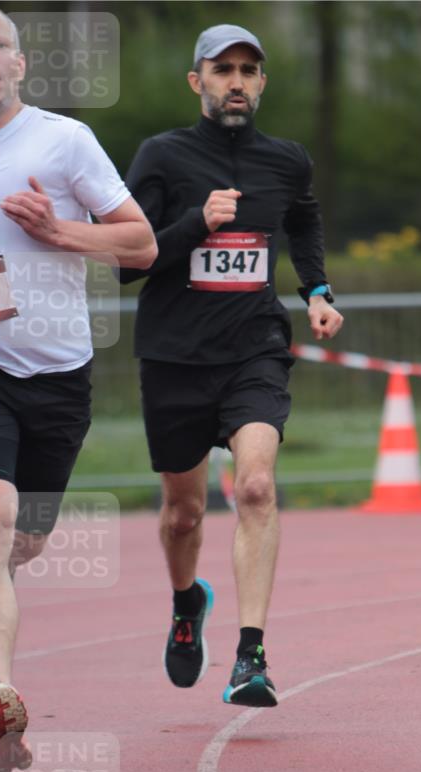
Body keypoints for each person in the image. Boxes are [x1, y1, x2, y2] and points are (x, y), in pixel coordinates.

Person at [120, 24, 343, 708]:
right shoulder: (161, 156)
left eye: (249, 70)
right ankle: (188, 603)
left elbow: (301, 220)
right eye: (223, 70)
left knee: (253, 489)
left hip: (254, 348)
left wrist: (317, 291)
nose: (237, 82)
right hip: (174, 357)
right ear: (198, 82)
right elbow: (129, 263)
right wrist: (197, 222)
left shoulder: (286, 160)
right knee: (184, 514)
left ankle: (251, 656)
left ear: (262, 82)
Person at [0, 3, 157, 772]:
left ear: (18, 65)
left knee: (22, 542)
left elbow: (141, 244)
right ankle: (0, 699)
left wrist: (58, 233)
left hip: (57, 374)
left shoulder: (63, 140)